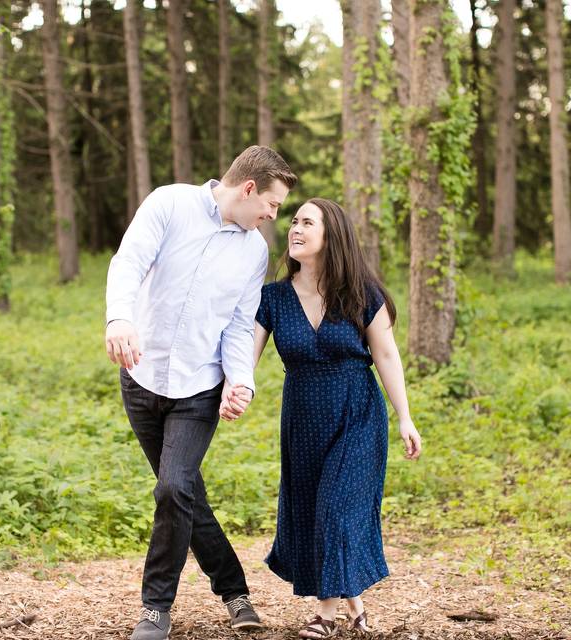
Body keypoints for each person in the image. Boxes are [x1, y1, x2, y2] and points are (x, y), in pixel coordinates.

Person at [105, 146, 298, 640]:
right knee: (184, 491)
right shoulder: (168, 204)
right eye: (272, 205)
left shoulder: (254, 250)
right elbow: (128, 263)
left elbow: (238, 326)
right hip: (142, 378)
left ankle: (154, 610)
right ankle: (235, 591)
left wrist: (241, 380)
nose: (273, 217)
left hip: (199, 390)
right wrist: (120, 318)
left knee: (173, 488)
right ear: (249, 189)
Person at [221, 197, 422, 638]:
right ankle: (356, 607)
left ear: (332, 235)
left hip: (357, 414)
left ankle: (324, 617)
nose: (295, 228)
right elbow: (245, 355)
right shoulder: (272, 298)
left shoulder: (362, 294)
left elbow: (386, 355)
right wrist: (235, 390)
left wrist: (404, 417)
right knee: (317, 512)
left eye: (307, 222)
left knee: (336, 507)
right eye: (293, 221)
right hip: (303, 419)